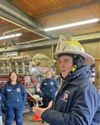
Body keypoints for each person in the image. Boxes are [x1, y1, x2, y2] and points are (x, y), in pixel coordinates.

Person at [32, 36, 100, 125]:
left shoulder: (85, 88)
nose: (61, 65)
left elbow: (78, 121)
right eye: (60, 61)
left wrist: (45, 114)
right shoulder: (70, 84)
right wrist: (51, 108)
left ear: (77, 63)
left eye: (66, 60)